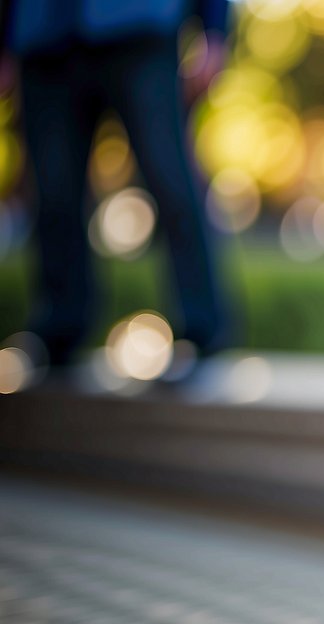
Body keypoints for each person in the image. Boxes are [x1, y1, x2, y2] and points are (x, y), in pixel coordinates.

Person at [0, 0, 232, 373]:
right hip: (45, 33)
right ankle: (59, 329)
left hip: (139, 24)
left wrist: (215, 27)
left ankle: (201, 329)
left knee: (170, 181)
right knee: (51, 193)